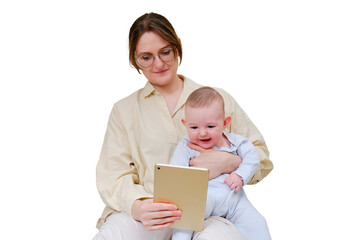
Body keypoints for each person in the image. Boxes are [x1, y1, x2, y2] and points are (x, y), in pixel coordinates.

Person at [93, 12, 273, 240]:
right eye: (146, 57)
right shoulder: (124, 110)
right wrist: (138, 206)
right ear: (134, 60)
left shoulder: (217, 99)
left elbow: (261, 156)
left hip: (211, 212)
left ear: (177, 48)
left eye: (165, 52)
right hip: (151, 210)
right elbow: (112, 175)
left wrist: (231, 162)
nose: (158, 63)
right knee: (113, 236)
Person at [170, 87, 271, 240]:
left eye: (210, 126)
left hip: (234, 199)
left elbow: (253, 157)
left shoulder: (236, 141)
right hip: (203, 198)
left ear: (225, 123)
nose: (202, 133)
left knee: (258, 223)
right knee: (185, 216)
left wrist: (240, 175)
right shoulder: (186, 146)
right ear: (185, 124)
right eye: (194, 127)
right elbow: (176, 173)